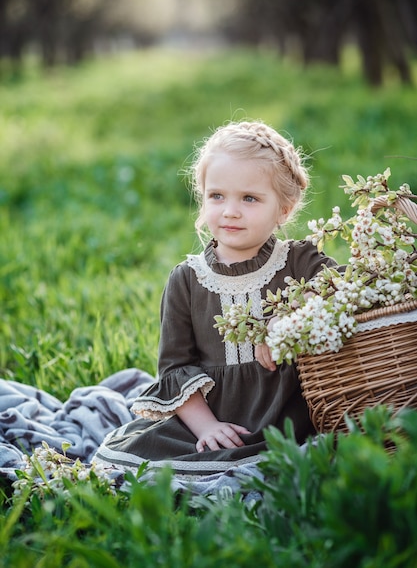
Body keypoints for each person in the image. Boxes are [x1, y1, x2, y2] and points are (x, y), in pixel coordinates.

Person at [93, 120, 338, 482]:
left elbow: (346, 291)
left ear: (284, 209)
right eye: (217, 196)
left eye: (250, 198)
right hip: (211, 415)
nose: (230, 211)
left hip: (288, 414)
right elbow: (175, 368)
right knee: (146, 457)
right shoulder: (188, 280)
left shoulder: (299, 261)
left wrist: (287, 321)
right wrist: (207, 428)